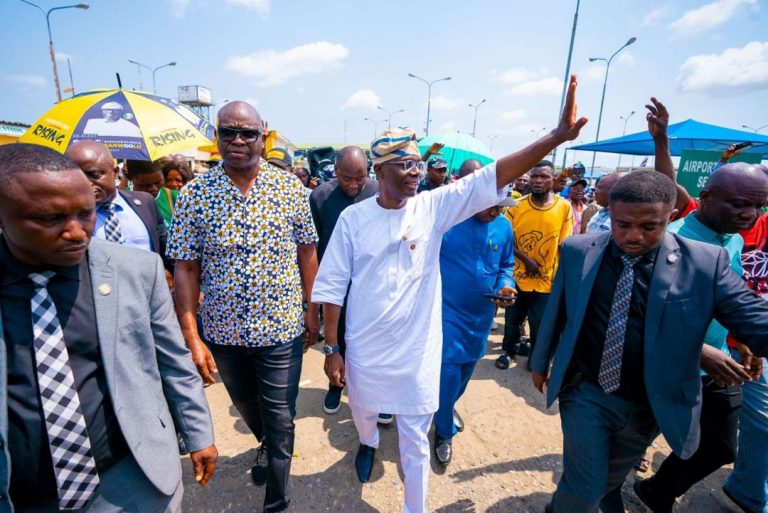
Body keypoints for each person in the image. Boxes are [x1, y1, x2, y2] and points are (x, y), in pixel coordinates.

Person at [311, 74, 587, 513]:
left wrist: (554, 137)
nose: (416, 170)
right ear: (379, 171)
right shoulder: (353, 220)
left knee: (415, 438)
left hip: (418, 351)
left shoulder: (433, 207)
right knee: (364, 411)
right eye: (404, 163)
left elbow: (497, 173)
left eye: (419, 163)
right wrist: (332, 347)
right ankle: (365, 443)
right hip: (365, 347)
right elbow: (331, 288)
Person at [529, 170, 768, 513]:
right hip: (587, 393)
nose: (633, 236)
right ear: (609, 213)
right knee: (584, 488)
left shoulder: (704, 262)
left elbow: (751, 316)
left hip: (650, 403)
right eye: (622, 224)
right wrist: (540, 363)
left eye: (648, 227)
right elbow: (558, 309)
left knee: (607, 481)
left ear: (670, 218)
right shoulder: (579, 250)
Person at [0, 143, 217, 513]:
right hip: (22, 496)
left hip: (131, 483)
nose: (75, 232)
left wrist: (199, 434)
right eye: (50, 218)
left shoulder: (135, 270)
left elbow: (173, 362)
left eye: (85, 214)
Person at [169, 101, 319, 513]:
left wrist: (312, 308)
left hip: (281, 329)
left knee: (281, 416)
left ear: (263, 135)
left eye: (247, 133)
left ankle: (277, 499)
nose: (237, 140)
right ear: (217, 137)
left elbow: (307, 252)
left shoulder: (290, 189)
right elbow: (186, 267)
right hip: (223, 332)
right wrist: (191, 334)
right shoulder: (195, 195)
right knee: (250, 408)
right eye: (228, 132)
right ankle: (267, 442)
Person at [434, 189, 516, 466]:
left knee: (467, 370)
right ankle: (444, 431)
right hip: (446, 312)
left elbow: (506, 264)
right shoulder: (448, 222)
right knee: (447, 371)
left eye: (500, 207)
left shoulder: (504, 226)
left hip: (481, 315)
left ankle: (445, 408)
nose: (495, 212)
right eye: (490, 206)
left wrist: (506, 286)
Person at [308, 146, 379, 415]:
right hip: (336, 283)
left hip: (370, 282)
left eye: (359, 177)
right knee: (338, 339)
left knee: (372, 341)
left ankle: (375, 395)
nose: (353, 184)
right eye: (346, 178)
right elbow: (311, 248)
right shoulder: (320, 197)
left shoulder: (377, 192)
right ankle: (337, 385)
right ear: (335, 172)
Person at [496, 160, 573, 371]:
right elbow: (505, 240)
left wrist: (561, 276)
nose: (538, 181)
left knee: (540, 324)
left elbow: (564, 244)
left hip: (547, 279)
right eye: (535, 176)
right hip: (516, 278)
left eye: (544, 176)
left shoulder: (564, 207)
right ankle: (508, 352)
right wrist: (525, 259)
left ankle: (537, 358)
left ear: (553, 179)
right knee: (512, 321)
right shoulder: (516, 206)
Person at [724, 208, 768, 513]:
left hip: (756, 345)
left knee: (761, 423)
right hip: (718, 342)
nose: (748, 209)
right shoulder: (722, 227)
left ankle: (748, 492)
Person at [65, 141, 168, 257]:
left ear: (115, 173)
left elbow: (166, 250)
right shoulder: (65, 216)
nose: (86, 183)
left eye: (94, 174)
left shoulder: (146, 203)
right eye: (78, 177)